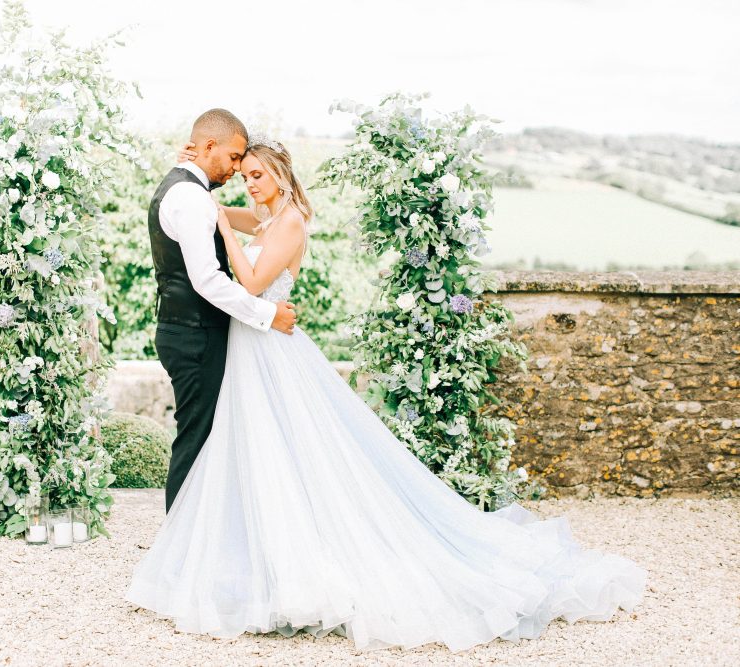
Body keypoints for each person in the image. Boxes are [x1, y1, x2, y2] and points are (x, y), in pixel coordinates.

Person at [126, 134, 647, 653]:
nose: (250, 184)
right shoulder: (265, 217)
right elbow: (215, 208)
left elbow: (253, 282)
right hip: (250, 347)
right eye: (244, 176)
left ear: (281, 175)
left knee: (293, 451)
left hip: (269, 345)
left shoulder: (290, 222)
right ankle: (252, 559)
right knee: (255, 451)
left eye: (258, 175)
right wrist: (199, 179)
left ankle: (293, 564)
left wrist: (222, 227)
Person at [146, 109, 297, 513]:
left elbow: (248, 219)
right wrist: (268, 314)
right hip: (196, 335)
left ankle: (204, 536)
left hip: (191, 331)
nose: (236, 171)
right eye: (233, 159)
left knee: (210, 440)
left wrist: (188, 165)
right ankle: (181, 541)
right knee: (197, 442)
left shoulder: (185, 189)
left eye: (249, 170)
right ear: (209, 146)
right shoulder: (190, 197)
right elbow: (208, 281)